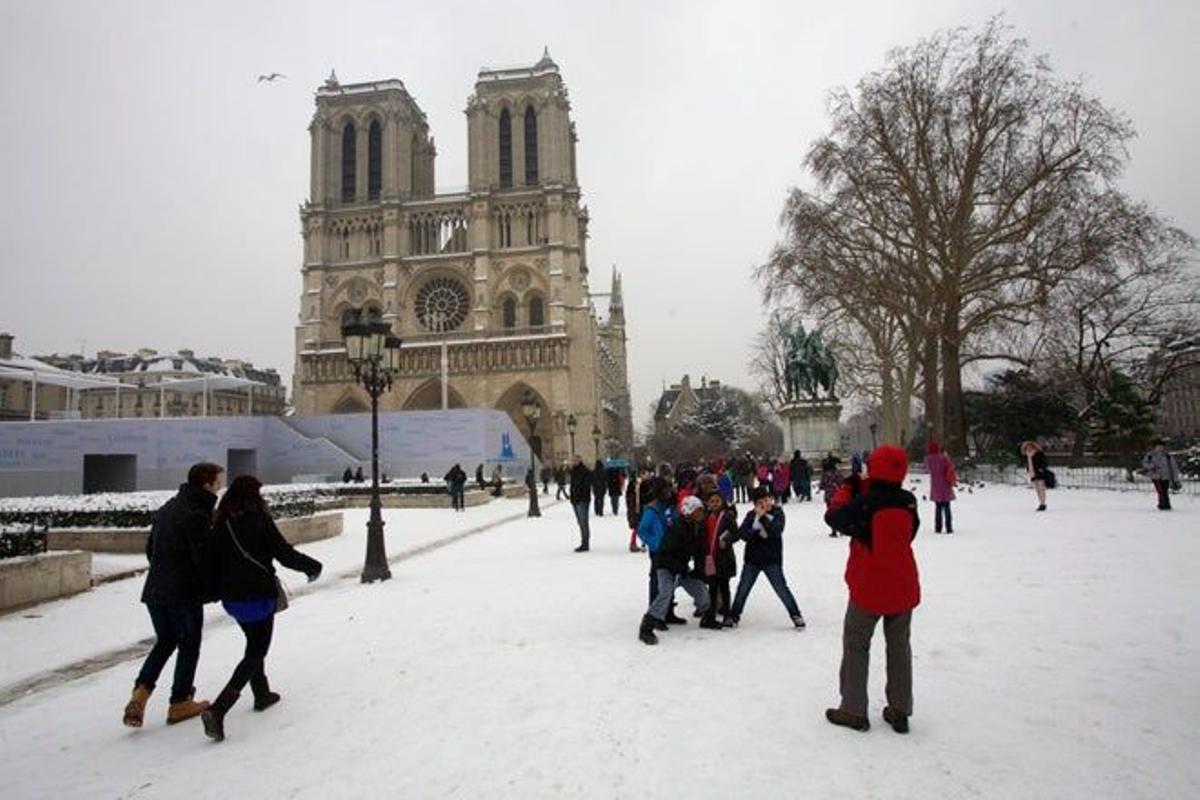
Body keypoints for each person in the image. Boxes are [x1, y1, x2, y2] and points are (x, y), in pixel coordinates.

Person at [200, 476, 323, 742]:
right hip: (258, 594)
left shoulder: (221, 521)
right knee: (257, 650)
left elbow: (210, 559)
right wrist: (312, 566)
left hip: (232, 598)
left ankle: (261, 693)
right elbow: (283, 552)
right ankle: (219, 708)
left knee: (252, 643)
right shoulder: (258, 519)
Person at [824, 444, 921, 734]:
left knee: (856, 646)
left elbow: (834, 516)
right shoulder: (908, 501)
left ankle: (854, 708)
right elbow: (911, 532)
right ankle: (900, 709)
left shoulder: (867, 503)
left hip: (869, 585)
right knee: (900, 647)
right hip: (903, 584)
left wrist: (848, 487)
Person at [123, 462, 225, 729]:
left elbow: (150, 549)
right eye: (218, 482)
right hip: (184, 592)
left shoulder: (169, 507)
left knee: (165, 641)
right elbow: (202, 557)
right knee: (189, 644)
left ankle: (140, 695)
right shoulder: (196, 513)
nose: (221, 486)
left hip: (156, 589)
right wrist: (216, 588)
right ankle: (180, 701)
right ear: (207, 485)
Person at [638, 496, 722, 645]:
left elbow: (700, 552)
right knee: (665, 593)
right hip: (665, 567)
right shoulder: (677, 527)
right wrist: (678, 569)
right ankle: (647, 627)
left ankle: (707, 619)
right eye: (698, 510)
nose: (702, 513)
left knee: (703, 595)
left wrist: (700, 571)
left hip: (682, 568)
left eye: (702, 510)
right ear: (689, 512)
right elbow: (666, 553)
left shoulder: (699, 527)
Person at [726, 486, 806, 629]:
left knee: (781, 588)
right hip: (752, 559)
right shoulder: (751, 515)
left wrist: (763, 518)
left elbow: (776, 531)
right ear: (755, 503)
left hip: (772, 559)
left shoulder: (778, 513)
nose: (765, 503)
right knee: (743, 588)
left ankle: (795, 614)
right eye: (761, 501)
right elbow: (743, 534)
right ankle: (734, 615)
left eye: (767, 499)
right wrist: (757, 533)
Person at [702, 490, 739, 624]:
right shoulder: (705, 517)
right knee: (712, 587)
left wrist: (727, 540)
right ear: (707, 503)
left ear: (722, 502)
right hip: (710, 558)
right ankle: (711, 613)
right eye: (712, 501)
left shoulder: (727, 516)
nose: (715, 504)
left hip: (724, 558)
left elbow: (736, 533)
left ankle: (727, 614)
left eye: (717, 501)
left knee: (724, 587)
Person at [923, 442, 956, 533]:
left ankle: (938, 527)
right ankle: (949, 527)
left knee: (938, 508)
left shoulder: (928, 459)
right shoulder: (944, 458)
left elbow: (925, 469)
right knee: (947, 507)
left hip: (935, 486)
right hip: (945, 485)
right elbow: (950, 466)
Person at [1141, 438, 1181, 511]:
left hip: (1166, 476)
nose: (1160, 448)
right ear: (1154, 447)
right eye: (1158, 446)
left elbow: (1173, 467)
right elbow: (1145, 464)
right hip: (1155, 476)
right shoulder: (1150, 455)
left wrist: (1175, 478)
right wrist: (1151, 466)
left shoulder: (1167, 456)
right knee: (1160, 490)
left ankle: (1166, 505)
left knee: (1165, 490)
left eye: (1161, 446)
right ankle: (1162, 505)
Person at [569, 455, 592, 552]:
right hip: (575, 500)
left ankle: (585, 543)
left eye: (575, 460)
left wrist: (580, 495)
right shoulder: (574, 471)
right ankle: (584, 541)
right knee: (580, 522)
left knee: (583, 522)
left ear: (580, 460)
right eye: (573, 460)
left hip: (582, 500)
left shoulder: (584, 471)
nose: (574, 462)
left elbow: (586, 486)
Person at [1021, 441, 1050, 511]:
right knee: (1037, 489)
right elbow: (1028, 464)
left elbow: (1044, 462)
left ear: (1034, 446)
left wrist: (1042, 468)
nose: (1029, 448)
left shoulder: (1039, 453)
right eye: (1027, 447)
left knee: (1041, 488)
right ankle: (1041, 503)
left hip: (1040, 473)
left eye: (1030, 446)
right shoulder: (1027, 455)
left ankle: (1043, 504)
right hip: (1032, 473)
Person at [820, 457, 844, 536]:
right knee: (839, 512)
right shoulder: (838, 473)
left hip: (829, 495)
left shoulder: (825, 474)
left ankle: (834, 530)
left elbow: (822, 485)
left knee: (831, 513)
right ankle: (841, 529)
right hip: (837, 495)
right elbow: (842, 483)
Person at [625, 470, 644, 553]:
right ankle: (637, 543)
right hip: (636, 509)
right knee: (638, 526)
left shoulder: (632, 486)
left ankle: (636, 543)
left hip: (634, 509)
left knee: (637, 527)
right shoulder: (635, 486)